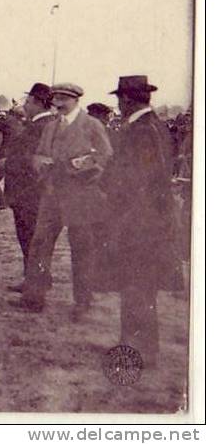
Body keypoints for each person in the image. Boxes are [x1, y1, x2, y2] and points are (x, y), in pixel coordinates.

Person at [11, 83, 113, 320]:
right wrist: (42, 166)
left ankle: (83, 302)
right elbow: (39, 154)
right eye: (55, 98)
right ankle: (34, 297)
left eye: (63, 98)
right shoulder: (51, 126)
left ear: (75, 100)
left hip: (80, 196)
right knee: (40, 244)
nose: (58, 102)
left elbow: (104, 155)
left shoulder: (91, 125)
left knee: (81, 249)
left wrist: (76, 166)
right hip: (51, 194)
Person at [100, 75, 182, 367]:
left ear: (127, 99)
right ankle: (135, 346)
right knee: (138, 288)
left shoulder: (142, 131)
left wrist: (106, 180)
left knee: (137, 288)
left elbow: (138, 178)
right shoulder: (151, 126)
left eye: (119, 100)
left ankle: (140, 351)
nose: (118, 105)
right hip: (144, 221)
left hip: (140, 223)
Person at [3, 83, 55, 289]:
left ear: (36, 102)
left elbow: (31, 158)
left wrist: (8, 162)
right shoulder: (45, 123)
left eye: (27, 101)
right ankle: (39, 278)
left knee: (30, 238)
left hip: (29, 192)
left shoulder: (39, 126)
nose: (25, 105)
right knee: (34, 238)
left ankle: (34, 281)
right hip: (34, 191)